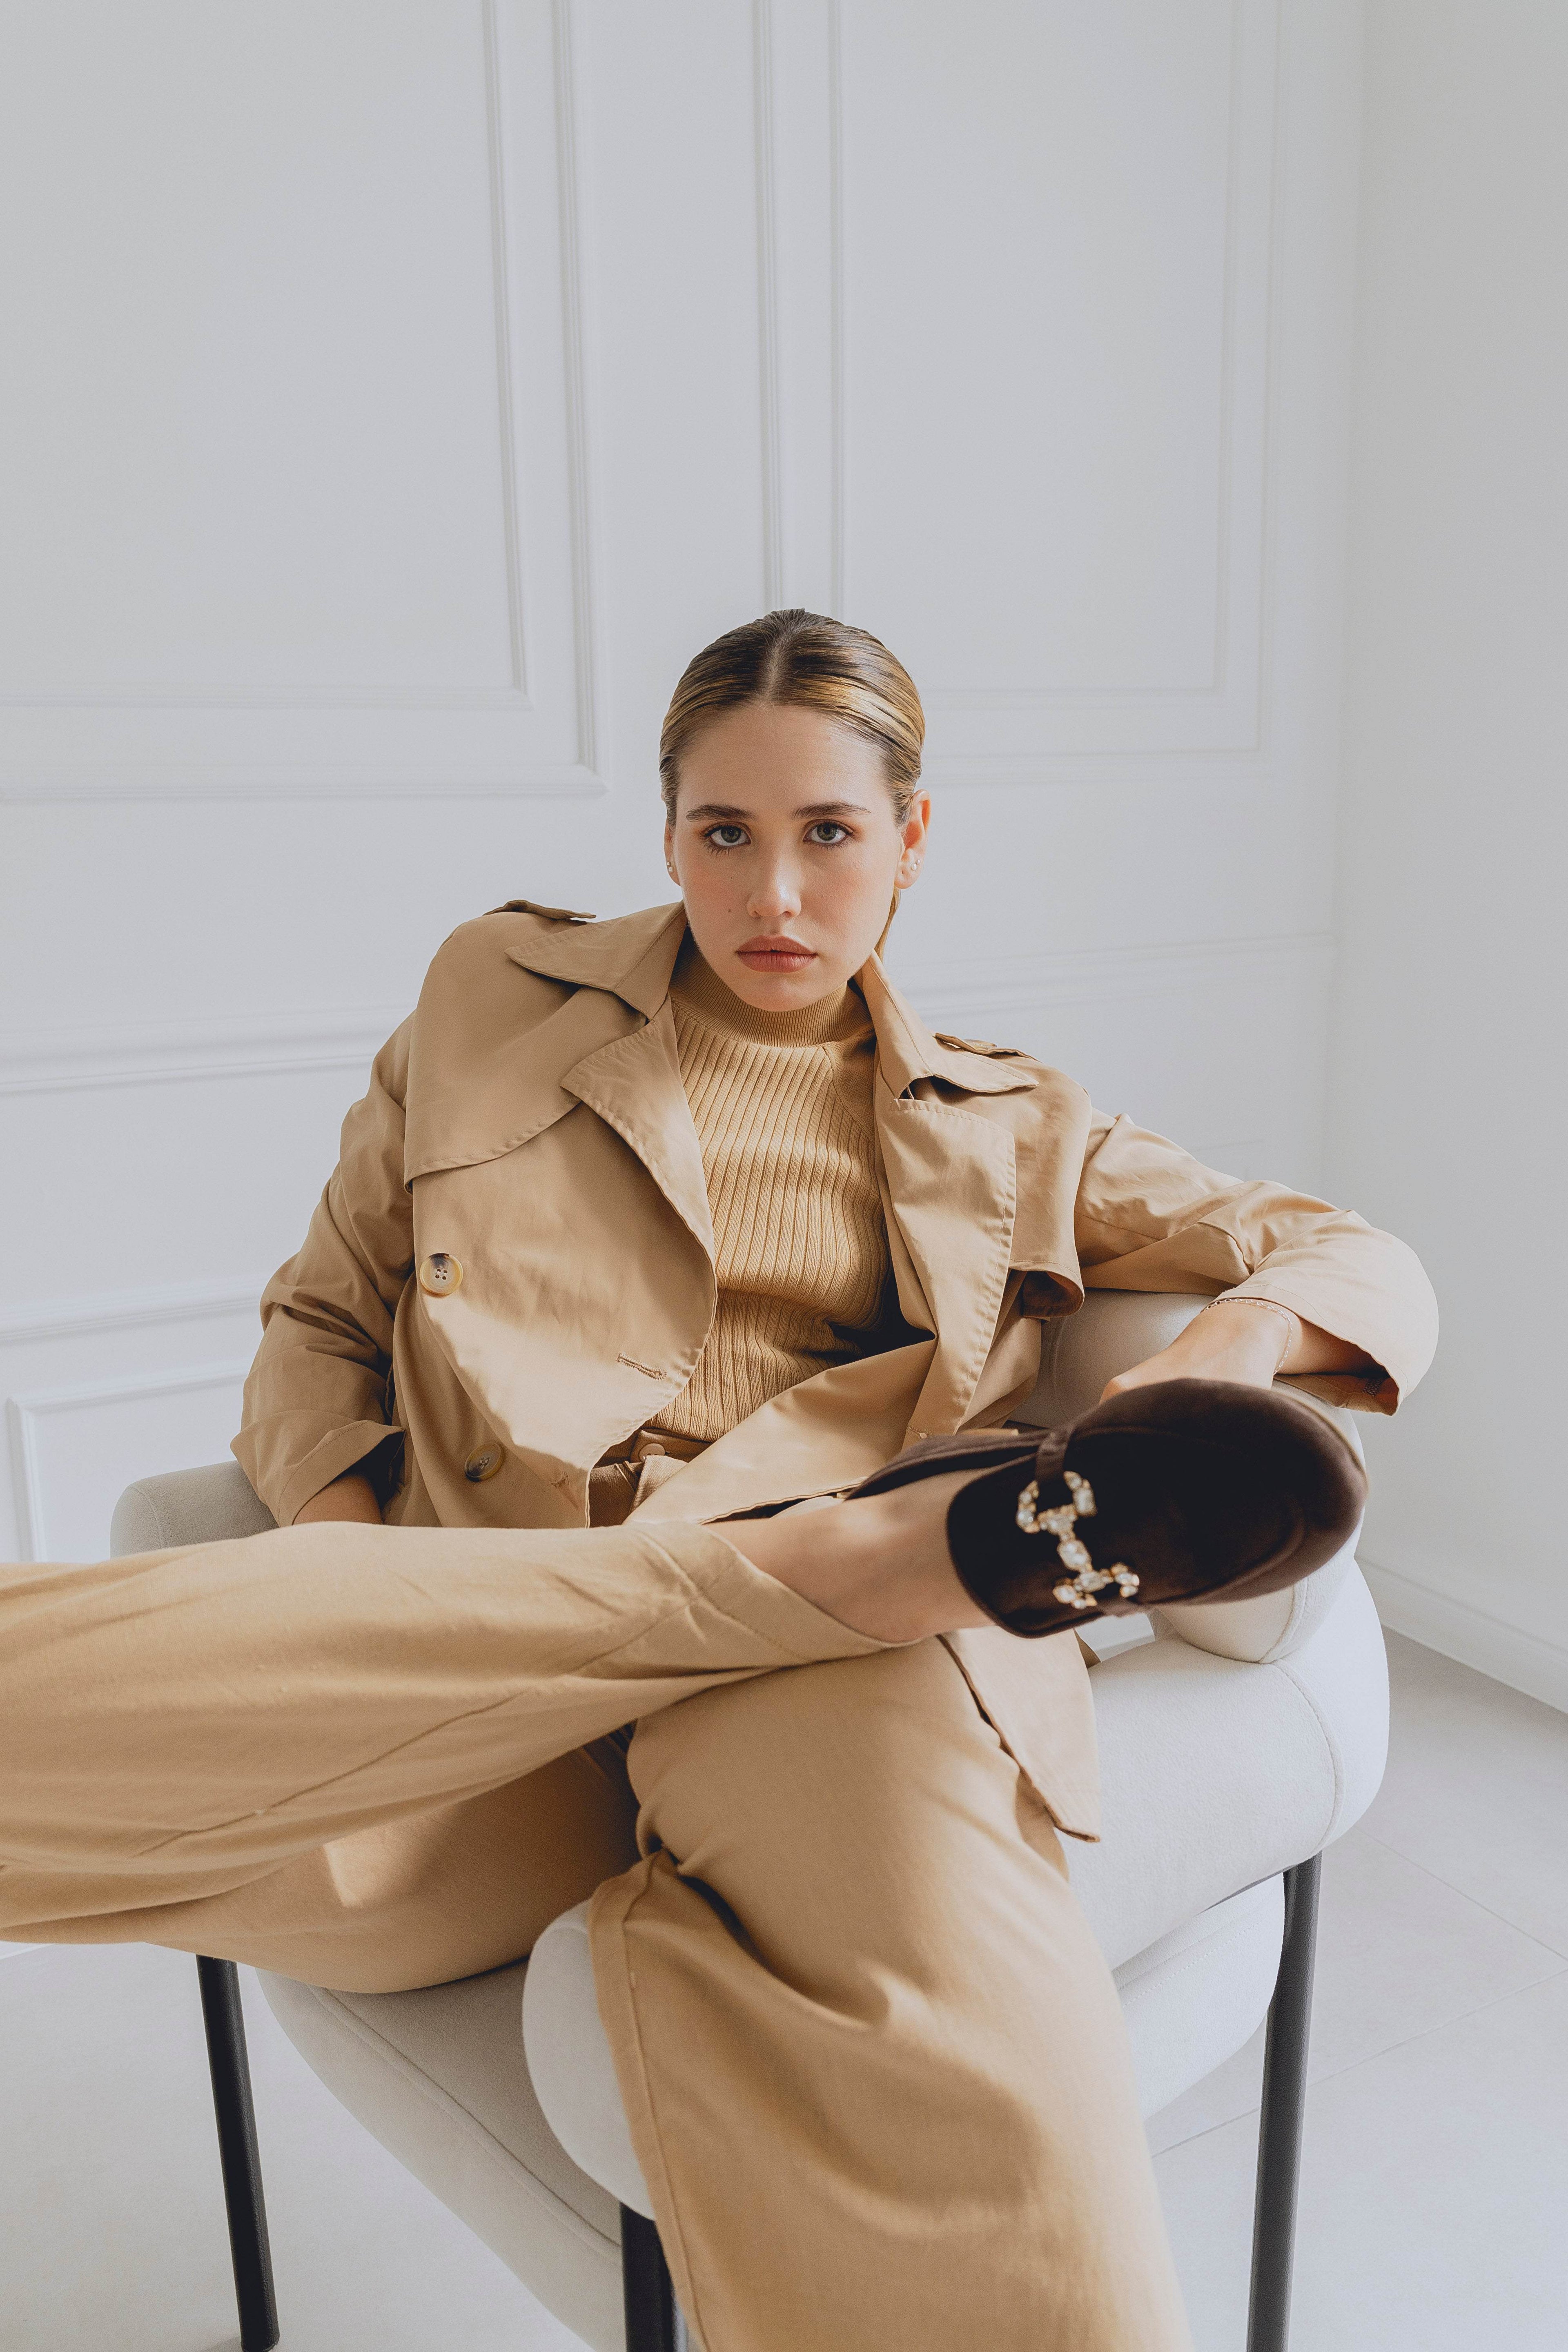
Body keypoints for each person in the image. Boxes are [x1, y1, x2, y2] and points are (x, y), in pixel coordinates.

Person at [1, 611, 1436, 2351]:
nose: (774, 894)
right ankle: (872, 1560)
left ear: (911, 838)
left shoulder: (1016, 1126)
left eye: (829, 833)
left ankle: (849, 1573)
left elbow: (1349, 1251)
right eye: (725, 833)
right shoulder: (492, 997)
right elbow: (322, 1316)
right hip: (492, 1674)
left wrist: (1207, 1363)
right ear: (669, 830)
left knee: (928, 1969)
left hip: (812, 1694)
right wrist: (352, 1566)